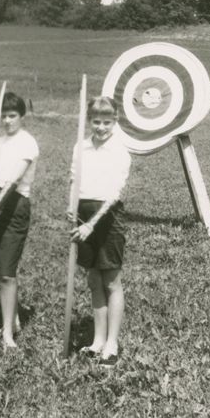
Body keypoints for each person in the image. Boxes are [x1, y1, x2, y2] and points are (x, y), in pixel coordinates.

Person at [69, 96, 132, 367]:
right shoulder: (80, 147)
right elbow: (74, 178)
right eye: (96, 122)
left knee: (111, 281)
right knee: (94, 279)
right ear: (89, 121)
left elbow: (114, 194)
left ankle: (112, 344)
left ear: (114, 121)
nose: (101, 127)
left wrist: (91, 224)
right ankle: (97, 340)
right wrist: (70, 207)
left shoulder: (120, 150)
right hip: (83, 214)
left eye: (107, 122)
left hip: (107, 216)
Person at [0, 91, 40, 347]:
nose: (7, 121)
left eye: (12, 116)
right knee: (2, 269)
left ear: (21, 116)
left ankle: (7, 334)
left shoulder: (28, 143)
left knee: (7, 271)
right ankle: (11, 319)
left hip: (13, 203)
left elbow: (14, 180)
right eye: (3, 116)